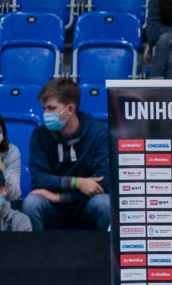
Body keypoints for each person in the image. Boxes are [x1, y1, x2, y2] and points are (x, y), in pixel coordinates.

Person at [21, 77, 110, 231]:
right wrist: (78, 183)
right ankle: (34, 255)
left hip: (85, 205)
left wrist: (60, 197)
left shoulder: (99, 134)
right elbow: (39, 179)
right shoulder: (39, 135)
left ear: (70, 109)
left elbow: (102, 183)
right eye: (44, 108)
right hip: (52, 206)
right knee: (31, 203)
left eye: (51, 108)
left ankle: (104, 255)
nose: (45, 114)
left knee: (105, 203)